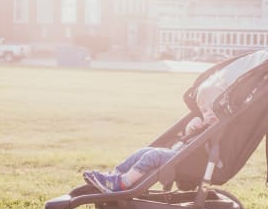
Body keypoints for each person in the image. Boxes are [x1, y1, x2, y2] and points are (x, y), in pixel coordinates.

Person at [83, 79, 223, 192]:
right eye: (205, 110)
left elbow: (209, 150)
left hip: (191, 162)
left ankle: (124, 183)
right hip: (181, 154)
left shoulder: (220, 128)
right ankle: (114, 177)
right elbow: (189, 138)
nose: (208, 113)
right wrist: (191, 129)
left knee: (153, 156)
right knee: (144, 151)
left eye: (212, 109)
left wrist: (209, 130)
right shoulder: (203, 124)